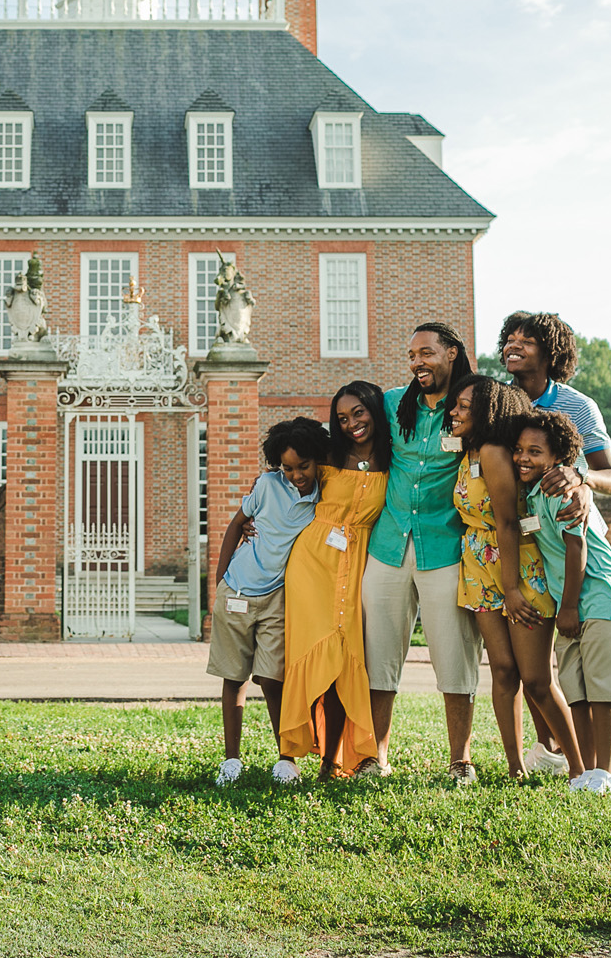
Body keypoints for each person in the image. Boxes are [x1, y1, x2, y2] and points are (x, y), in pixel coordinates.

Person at [497, 310, 611, 776]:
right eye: (509, 338)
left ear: (550, 351)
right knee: (562, 666)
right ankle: (554, 750)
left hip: (571, 535)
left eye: (526, 339)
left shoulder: (578, 405)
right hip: (530, 541)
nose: (513, 345)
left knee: (600, 661)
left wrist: (580, 477)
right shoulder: (504, 402)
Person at [449, 374, 582, 781]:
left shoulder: (492, 452)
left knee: (537, 679)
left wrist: (510, 588)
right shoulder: (468, 451)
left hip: (515, 568)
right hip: (477, 565)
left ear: (487, 411)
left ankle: (580, 769)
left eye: (464, 407)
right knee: (503, 670)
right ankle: (515, 767)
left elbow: (508, 523)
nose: (454, 412)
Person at [364, 323, 478, 783]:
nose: (417, 363)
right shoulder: (392, 404)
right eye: (411, 355)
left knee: (455, 654)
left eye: (426, 353)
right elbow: (344, 432)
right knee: (379, 655)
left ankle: (460, 760)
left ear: (451, 353)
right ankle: (375, 757)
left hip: (445, 547)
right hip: (388, 546)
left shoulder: (472, 406)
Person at [512, 409, 611, 792]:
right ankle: (587, 771)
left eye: (535, 452)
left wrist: (568, 607)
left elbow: (577, 548)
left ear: (557, 460)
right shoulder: (533, 494)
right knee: (578, 691)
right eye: (519, 450)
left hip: (601, 597)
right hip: (573, 603)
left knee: (604, 691)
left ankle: (607, 772)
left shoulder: (561, 491)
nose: (523, 458)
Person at [205, 417, 329, 787]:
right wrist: (220, 578)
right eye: (288, 468)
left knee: (274, 679)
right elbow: (235, 524)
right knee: (234, 677)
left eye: (303, 466)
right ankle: (231, 760)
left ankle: (286, 758)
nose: (296, 475)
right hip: (237, 590)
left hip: (276, 596)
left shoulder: (325, 493)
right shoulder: (266, 485)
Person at [278, 382, 390, 781]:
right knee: (313, 658)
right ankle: (298, 751)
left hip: (359, 562)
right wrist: (254, 525)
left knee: (344, 664)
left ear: (374, 410)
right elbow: (284, 469)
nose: (352, 424)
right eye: (342, 418)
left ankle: (332, 760)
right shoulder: (327, 453)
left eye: (358, 413)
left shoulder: (394, 458)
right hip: (312, 564)